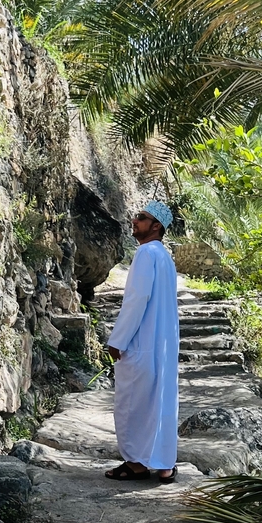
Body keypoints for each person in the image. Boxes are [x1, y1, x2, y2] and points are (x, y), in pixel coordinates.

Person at [104, 201, 179, 484]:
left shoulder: (146, 253)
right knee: (159, 404)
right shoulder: (164, 256)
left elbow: (137, 300)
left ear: (156, 226)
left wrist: (118, 340)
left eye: (142, 218)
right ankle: (164, 466)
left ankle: (135, 464)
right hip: (162, 346)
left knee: (133, 404)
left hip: (142, 343)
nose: (135, 221)